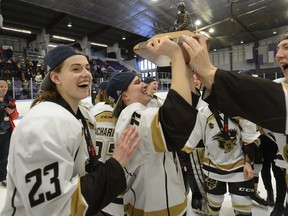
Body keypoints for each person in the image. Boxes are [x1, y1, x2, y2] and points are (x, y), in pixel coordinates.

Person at [0, 44, 140, 216]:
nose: (86, 74)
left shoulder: (84, 116)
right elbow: (53, 208)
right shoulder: (44, 122)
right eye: (76, 69)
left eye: (87, 68)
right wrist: (115, 165)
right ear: (55, 78)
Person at [106, 36, 199, 215]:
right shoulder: (130, 114)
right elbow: (174, 124)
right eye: (137, 82)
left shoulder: (145, 110)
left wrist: (186, 69)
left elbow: (186, 110)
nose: (144, 85)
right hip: (152, 209)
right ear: (124, 96)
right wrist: (176, 57)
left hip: (172, 204)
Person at [0, 80, 18, 187]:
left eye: (5, 87)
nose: (3, 88)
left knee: (4, 156)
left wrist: (13, 113)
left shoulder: (10, 100)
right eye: (1, 86)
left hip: (6, 133)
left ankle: (2, 177)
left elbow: (15, 116)